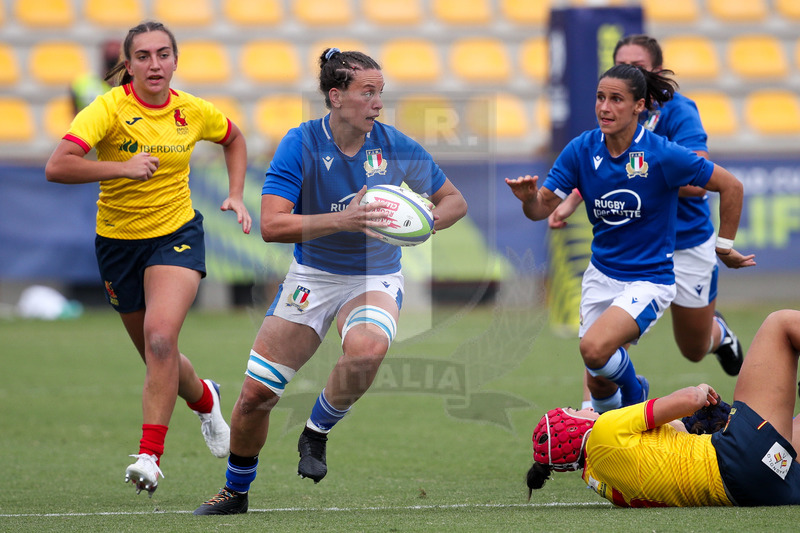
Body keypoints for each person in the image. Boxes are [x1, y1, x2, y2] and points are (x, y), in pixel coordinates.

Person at [193, 47, 467, 515]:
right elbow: (272, 225)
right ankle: (235, 492)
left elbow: (454, 200)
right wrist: (343, 220)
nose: (378, 103)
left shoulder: (395, 145)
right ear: (336, 96)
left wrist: (426, 223)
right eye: (367, 92)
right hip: (312, 276)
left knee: (367, 349)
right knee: (257, 396)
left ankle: (315, 432)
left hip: (374, 274)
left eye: (381, 92)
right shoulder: (300, 143)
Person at [45, 21, 252, 496]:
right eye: (143, 56)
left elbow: (234, 138)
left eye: (163, 54)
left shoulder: (192, 110)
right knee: (158, 357)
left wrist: (237, 194)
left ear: (175, 61)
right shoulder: (107, 109)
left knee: (162, 340)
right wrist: (121, 167)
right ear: (129, 64)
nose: (154, 64)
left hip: (176, 235)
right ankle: (206, 398)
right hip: (117, 244)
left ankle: (150, 456)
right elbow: (58, 166)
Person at [506, 64, 755, 415]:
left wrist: (724, 248)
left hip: (649, 279)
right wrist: (529, 198)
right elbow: (540, 208)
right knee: (597, 380)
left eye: (616, 100)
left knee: (595, 350)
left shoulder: (662, 154)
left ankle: (636, 393)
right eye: (600, 97)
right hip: (600, 276)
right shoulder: (581, 149)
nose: (604, 108)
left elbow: (731, 186)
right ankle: (607, 457)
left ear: (639, 106)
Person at [525, 308, 800, 507]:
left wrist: (690, 425)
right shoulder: (605, 429)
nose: (586, 409)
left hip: (760, 488)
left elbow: (668, 444)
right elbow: (690, 401)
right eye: (575, 409)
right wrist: (702, 390)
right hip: (737, 457)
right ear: (572, 425)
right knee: (780, 324)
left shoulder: (604, 485)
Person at [70, 39, 121, 115]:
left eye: (115, 54)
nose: (112, 54)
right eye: (109, 53)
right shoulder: (82, 85)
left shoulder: (130, 87)